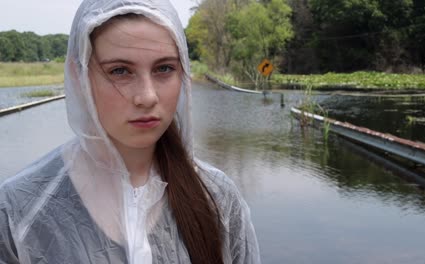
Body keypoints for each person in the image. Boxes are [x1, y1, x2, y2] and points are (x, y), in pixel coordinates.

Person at [0, 0, 261, 263]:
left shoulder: (217, 198)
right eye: (120, 71)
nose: (147, 97)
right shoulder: (19, 210)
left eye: (164, 68)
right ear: (78, 76)